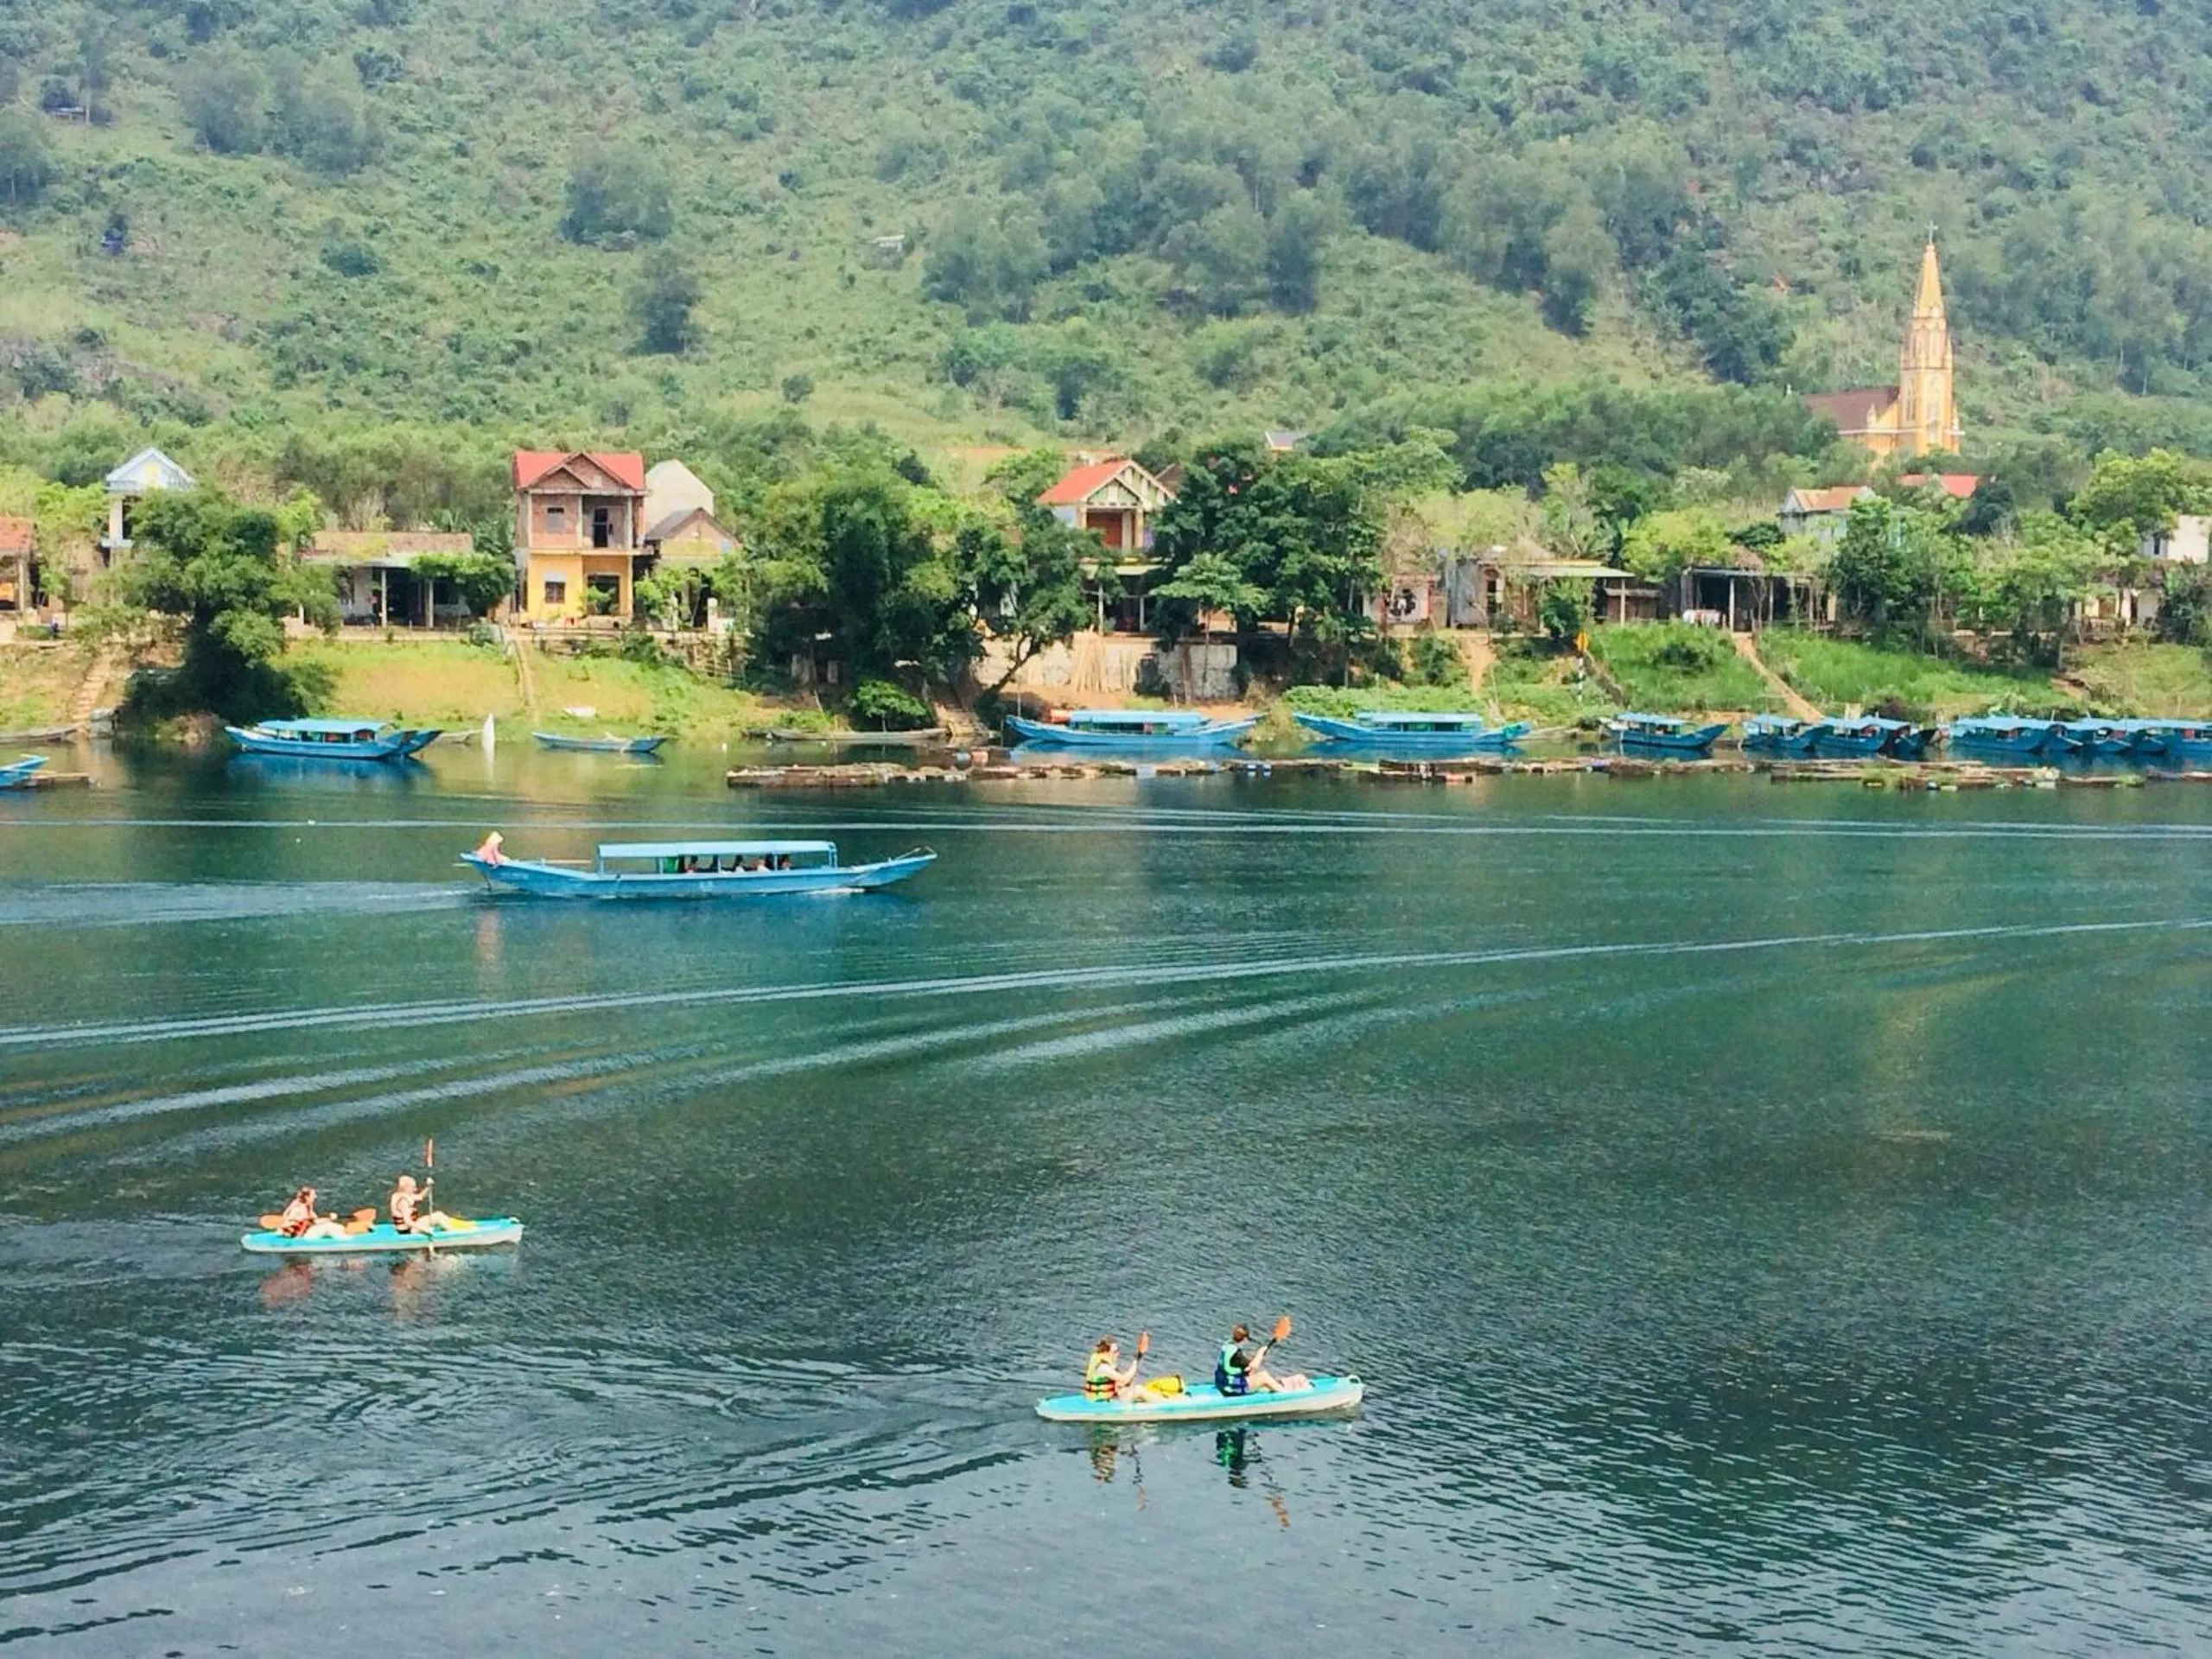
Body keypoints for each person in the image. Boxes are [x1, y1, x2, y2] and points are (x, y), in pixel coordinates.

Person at [1216, 1324, 1308, 1395]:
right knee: (1264, 1376)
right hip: (1231, 1388)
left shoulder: (1227, 1346)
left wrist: (1257, 1357)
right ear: (1244, 1339)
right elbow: (1253, 1366)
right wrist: (1261, 1352)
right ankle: (1286, 1395)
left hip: (1221, 1383)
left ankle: (1274, 1386)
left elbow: (1244, 1367)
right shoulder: (1237, 1353)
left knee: (1257, 1376)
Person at [1084, 1337, 1150, 1403]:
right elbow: (1125, 1380)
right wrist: (1137, 1359)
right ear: (1105, 1352)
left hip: (1098, 1399)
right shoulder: (1103, 1367)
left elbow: (1122, 1383)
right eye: (1115, 1352)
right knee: (1139, 1389)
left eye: (1118, 1350)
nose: (1118, 1354)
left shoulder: (1097, 1358)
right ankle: (1160, 1406)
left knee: (1128, 1389)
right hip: (1102, 1403)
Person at [388, 1173, 454, 1235]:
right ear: (406, 1188)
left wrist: (429, 1187)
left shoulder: (405, 1195)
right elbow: (408, 1221)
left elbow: (420, 1197)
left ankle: (448, 1227)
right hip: (408, 1231)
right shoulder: (403, 1202)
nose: (415, 1189)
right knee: (438, 1217)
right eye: (413, 1187)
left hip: (411, 1227)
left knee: (439, 1214)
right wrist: (425, 1229)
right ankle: (452, 1234)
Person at [276, 1186, 348, 1241]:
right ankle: (347, 1242)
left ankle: (343, 1238)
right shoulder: (300, 1207)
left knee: (337, 1226)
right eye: (313, 1195)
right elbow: (309, 1222)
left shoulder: (306, 1205)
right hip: (302, 1235)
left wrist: (329, 1219)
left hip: (304, 1232)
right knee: (330, 1227)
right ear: (307, 1197)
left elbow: (315, 1220)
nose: (315, 1197)